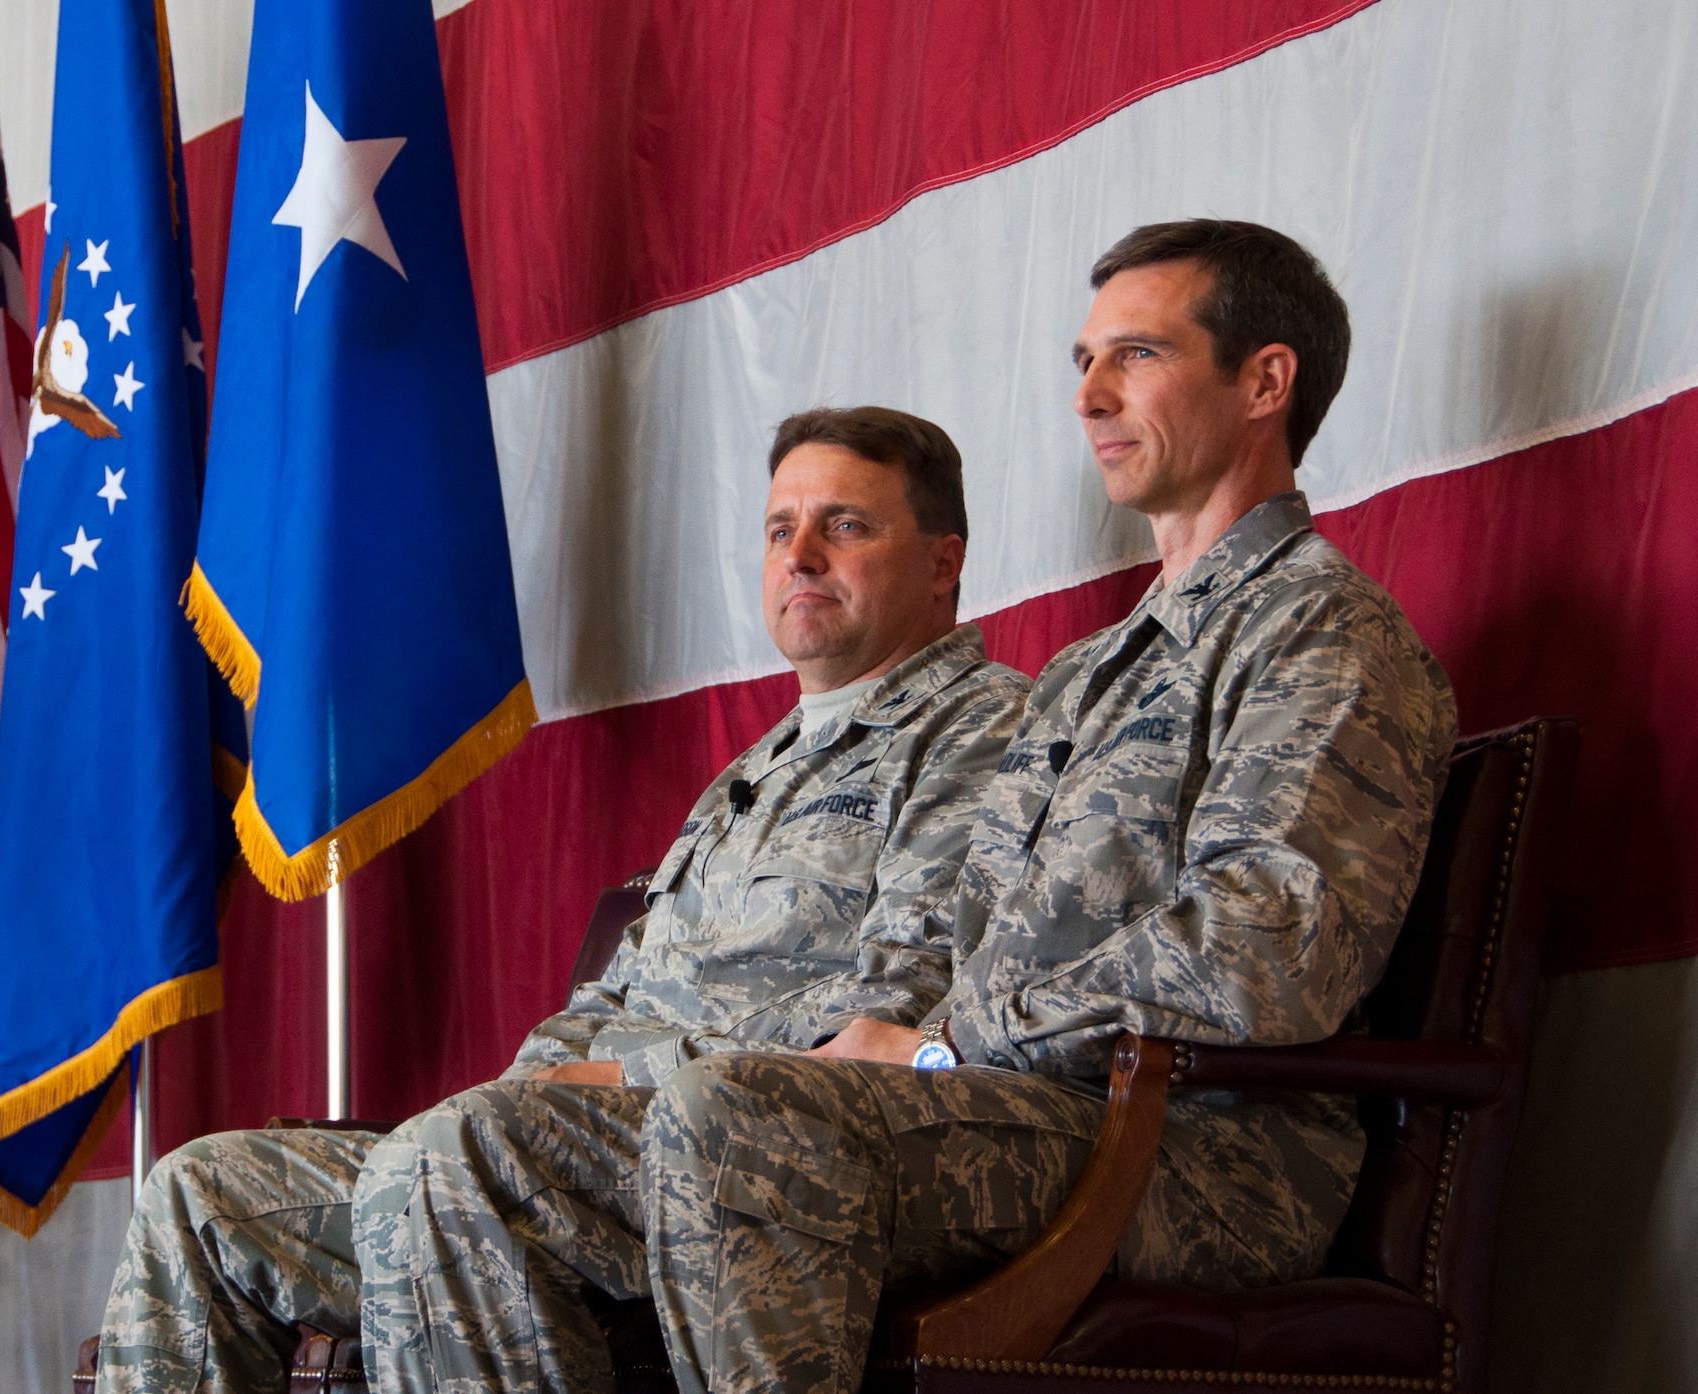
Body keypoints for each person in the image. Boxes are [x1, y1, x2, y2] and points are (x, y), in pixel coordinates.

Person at [352, 220, 1459, 1394]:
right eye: (1080, 362)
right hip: (1001, 1107)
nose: (1087, 395)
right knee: (483, 1149)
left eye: (1132, 355)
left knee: (734, 1113)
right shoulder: (1086, 673)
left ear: (1263, 381)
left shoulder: (1323, 631)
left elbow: (1262, 950)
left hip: (1188, 1148)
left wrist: (950, 1040)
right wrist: (912, 1040)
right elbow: (945, 932)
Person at [93, 406, 1030, 1393]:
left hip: (751, 1157)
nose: (797, 554)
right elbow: (607, 1005)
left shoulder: (981, 731)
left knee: (459, 1159)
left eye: (843, 524)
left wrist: (619, 1080)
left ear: (939, 563)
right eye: (776, 527)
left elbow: (891, 1010)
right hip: (576, 1148)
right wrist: (528, 1083)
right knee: (199, 1195)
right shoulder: (752, 772)